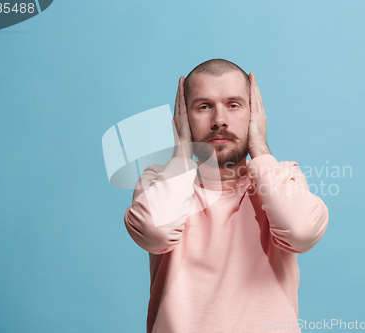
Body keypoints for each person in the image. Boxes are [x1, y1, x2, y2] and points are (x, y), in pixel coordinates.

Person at [123, 58, 329, 333]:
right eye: (204, 106)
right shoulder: (157, 182)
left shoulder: (284, 178)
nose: (219, 120)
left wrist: (260, 149)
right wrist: (182, 153)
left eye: (233, 105)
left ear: (254, 114)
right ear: (183, 119)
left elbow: (301, 231)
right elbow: (155, 233)